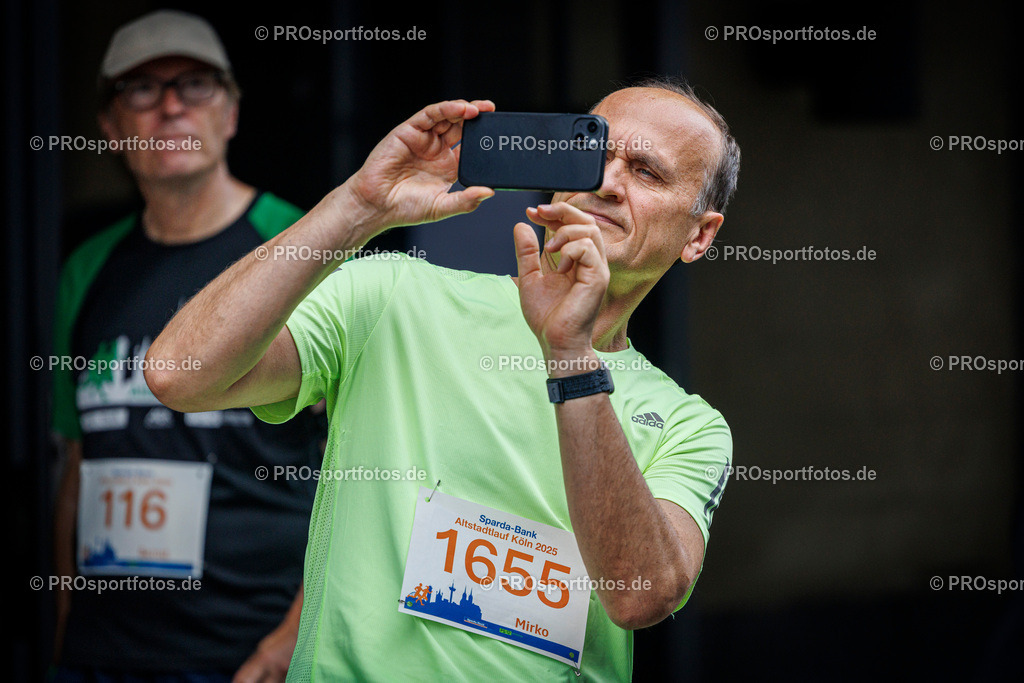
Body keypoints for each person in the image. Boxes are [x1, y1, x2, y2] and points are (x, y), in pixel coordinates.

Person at [145, 77, 739, 680]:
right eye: (594, 153)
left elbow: (639, 596)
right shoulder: (393, 294)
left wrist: (570, 352)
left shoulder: (690, 427)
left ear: (699, 235)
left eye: (647, 173)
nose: (608, 184)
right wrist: (358, 208)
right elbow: (177, 375)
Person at [50, 10, 323, 682]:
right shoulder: (86, 269)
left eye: (195, 85)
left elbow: (362, 459)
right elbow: (77, 467)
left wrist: (292, 637)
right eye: (140, 90)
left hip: (249, 650)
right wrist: (63, 629)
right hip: (105, 651)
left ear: (230, 113)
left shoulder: (300, 245)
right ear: (110, 128)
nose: (170, 106)